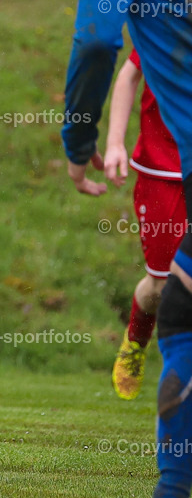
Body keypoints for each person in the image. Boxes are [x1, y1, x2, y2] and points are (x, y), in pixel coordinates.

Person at [61, 0, 192, 498]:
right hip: (166, 169)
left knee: (182, 317)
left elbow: (97, 39)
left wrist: (77, 139)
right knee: (177, 304)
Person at [101, 49, 187, 401]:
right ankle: (137, 339)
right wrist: (114, 142)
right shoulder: (167, 16)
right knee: (161, 285)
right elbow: (128, 76)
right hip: (163, 170)